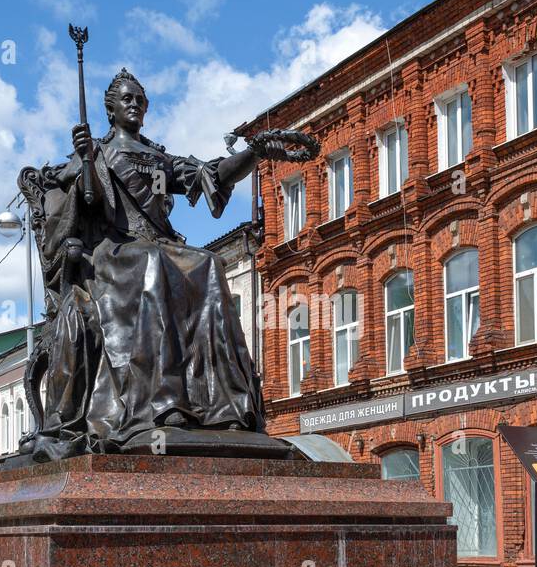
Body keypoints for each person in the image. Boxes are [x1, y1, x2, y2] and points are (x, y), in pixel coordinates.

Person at [16, 68, 316, 461]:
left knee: (207, 264)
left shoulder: (157, 158)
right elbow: (79, 207)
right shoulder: (96, 153)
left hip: (158, 246)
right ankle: (162, 403)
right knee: (156, 264)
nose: (136, 105)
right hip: (114, 253)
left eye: (141, 99)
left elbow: (210, 176)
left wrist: (253, 153)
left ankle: (225, 406)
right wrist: (84, 164)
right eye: (127, 99)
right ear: (110, 109)